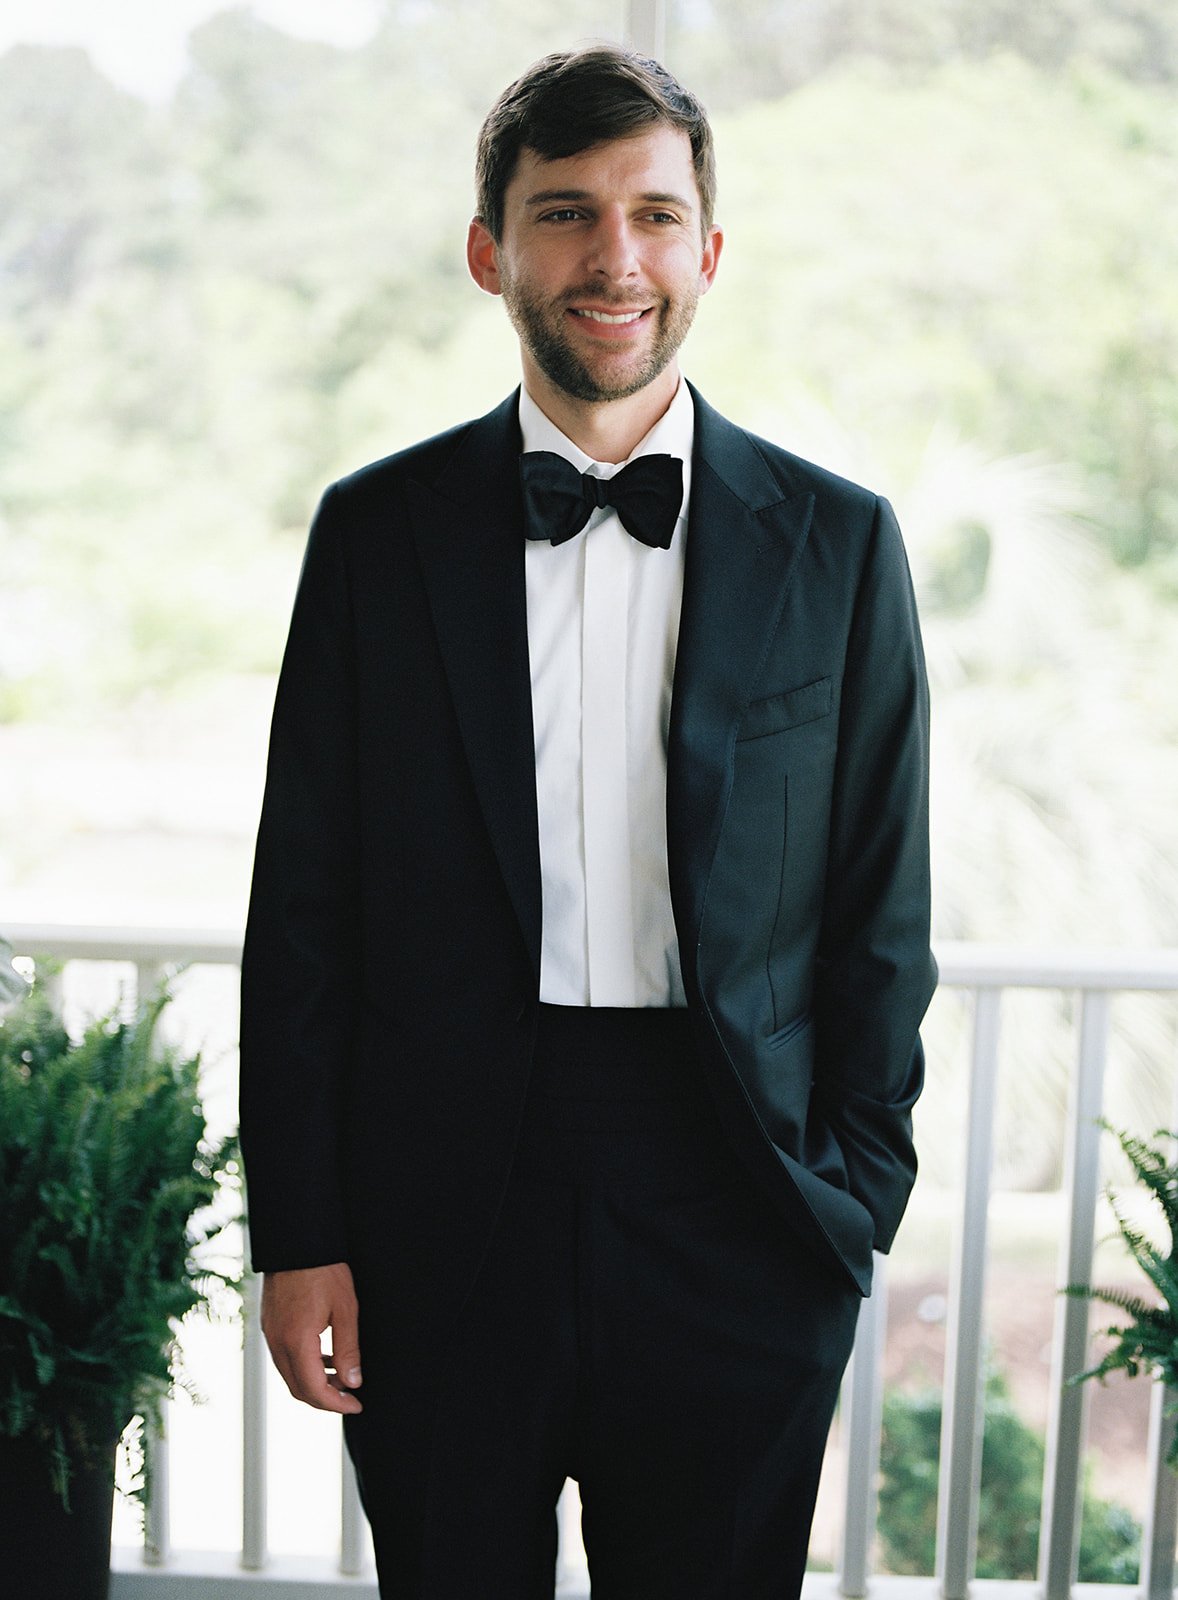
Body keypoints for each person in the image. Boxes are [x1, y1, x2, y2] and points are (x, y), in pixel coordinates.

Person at [239, 42, 936, 1600]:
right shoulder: (376, 535)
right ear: (490, 250)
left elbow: (880, 908)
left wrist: (848, 1205)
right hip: (436, 1220)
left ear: (707, 251)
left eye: (650, 214)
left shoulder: (837, 542)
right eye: (562, 213)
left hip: (739, 1211)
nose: (611, 258)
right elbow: (304, 909)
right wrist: (301, 1233)